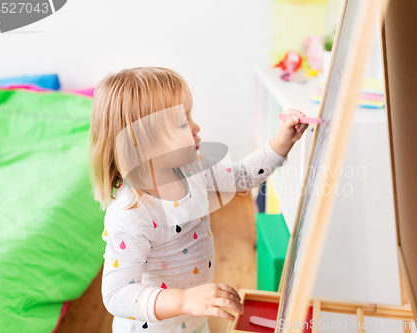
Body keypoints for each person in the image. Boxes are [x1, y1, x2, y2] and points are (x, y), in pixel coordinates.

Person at [89, 66, 308, 333]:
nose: (196, 126)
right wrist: (184, 300)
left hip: (193, 321)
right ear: (145, 143)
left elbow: (242, 176)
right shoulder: (132, 213)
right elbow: (117, 293)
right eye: (183, 122)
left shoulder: (193, 170)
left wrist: (282, 141)